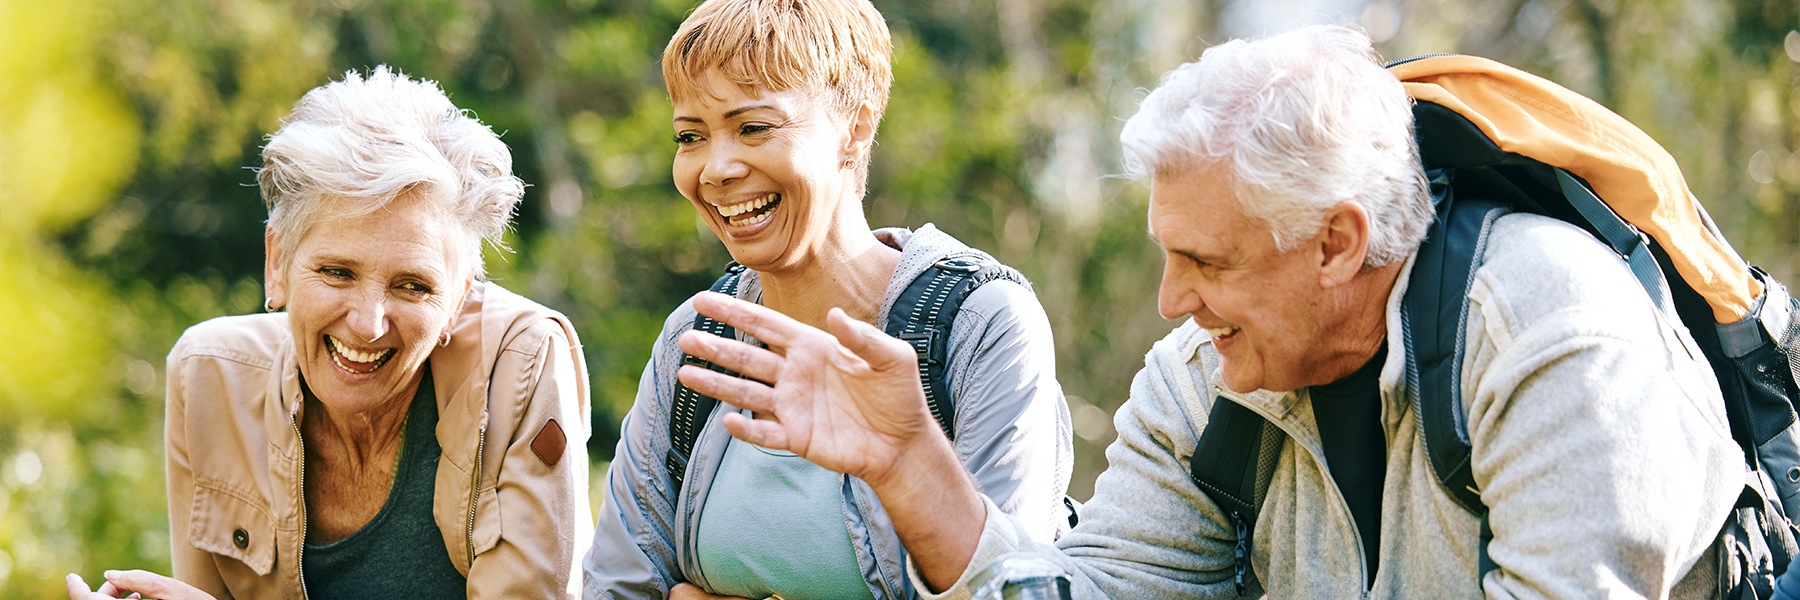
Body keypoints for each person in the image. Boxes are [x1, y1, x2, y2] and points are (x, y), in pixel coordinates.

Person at [671, 24, 1745, 598]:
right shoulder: (1202, 379)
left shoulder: (1550, 333)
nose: (1173, 303)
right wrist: (912, 468)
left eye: (1206, 262)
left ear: (1337, 241)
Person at [581, 0, 1073, 598]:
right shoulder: (698, 339)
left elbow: (1012, 587)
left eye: (754, 127)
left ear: (855, 128)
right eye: (691, 136)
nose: (716, 168)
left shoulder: (980, 327)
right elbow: (618, 585)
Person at [66, 66, 594, 599]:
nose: (368, 323)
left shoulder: (522, 364)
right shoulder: (209, 376)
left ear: (459, 298)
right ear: (277, 263)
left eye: (411, 286)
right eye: (337, 273)